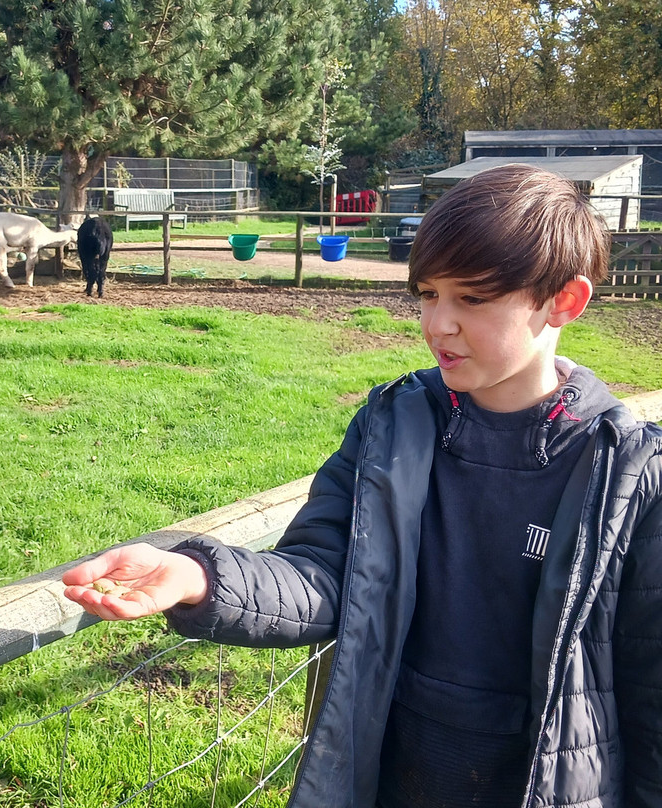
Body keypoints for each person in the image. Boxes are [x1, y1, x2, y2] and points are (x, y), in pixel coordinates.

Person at [63, 164, 662, 808]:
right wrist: (196, 577)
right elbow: (321, 576)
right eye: (428, 294)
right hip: (390, 775)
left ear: (563, 302)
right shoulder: (392, 426)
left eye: (473, 299)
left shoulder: (629, 474)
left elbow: (650, 690)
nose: (439, 324)